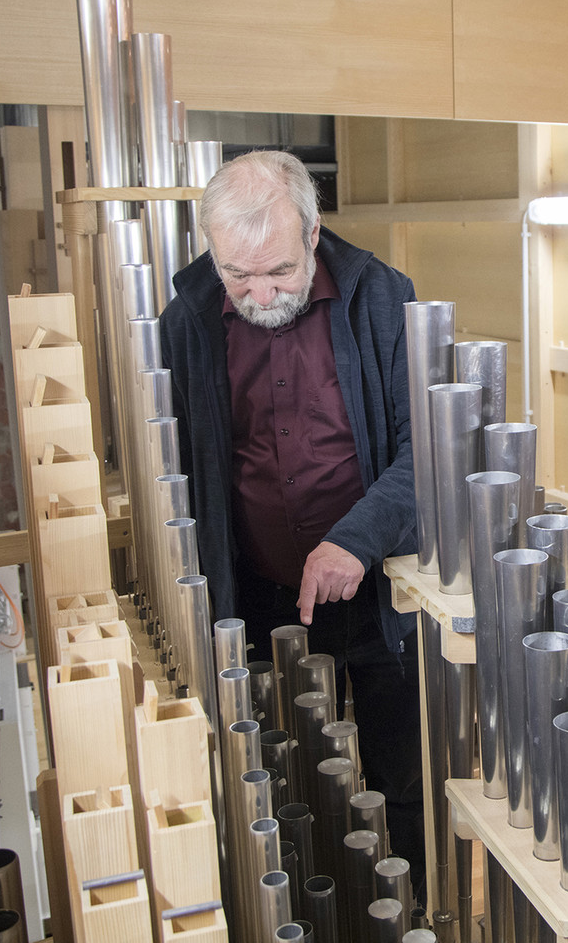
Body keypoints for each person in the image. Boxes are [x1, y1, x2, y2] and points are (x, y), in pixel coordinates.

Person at [159, 149, 424, 894]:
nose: (259, 293)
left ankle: (414, 913)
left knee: (398, 780)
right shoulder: (187, 319)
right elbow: (177, 455)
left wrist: (355, 538)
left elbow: (427, 450)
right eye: (237, 276)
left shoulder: (382, 300)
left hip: (376, 596)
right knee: (286, 792)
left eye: (276, 270)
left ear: (312, 234)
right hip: (260, 600)